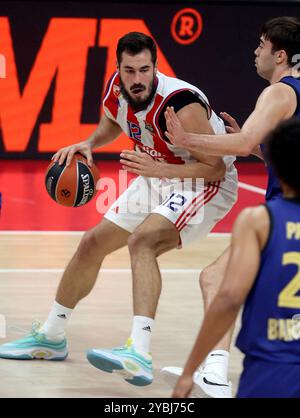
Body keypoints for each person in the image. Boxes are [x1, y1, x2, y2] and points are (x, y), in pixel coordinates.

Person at [0, 32, 237, 390]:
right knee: (92, 242)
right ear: (119, 68)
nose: (137, 79)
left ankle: (138, 352)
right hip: (156, 171)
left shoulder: (181, 103)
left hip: (201, 182)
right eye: (130, 70)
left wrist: (161, 171)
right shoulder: (118, 87)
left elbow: (216, 168)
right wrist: (90, 142)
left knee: (142, 242)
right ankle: (51, 336)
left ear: (155, 67)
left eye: (144, 70)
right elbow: (115, 119)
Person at [162, 16, 300, 397]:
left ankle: (216, 373)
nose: (256, 52)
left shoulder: (279, 93)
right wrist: (257, 145)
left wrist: (187, 137)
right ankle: (216, 369)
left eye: (262, 45)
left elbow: (239, 148)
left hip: (283, 213)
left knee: (216, 279)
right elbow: (267, 149)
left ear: (281, 54)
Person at [172, 118, 300, 398]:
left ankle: (214, 371)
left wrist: (188, 371)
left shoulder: (260, 221)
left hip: (271, 369)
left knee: (213, 278)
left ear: (275, 165)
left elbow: (229, 298)